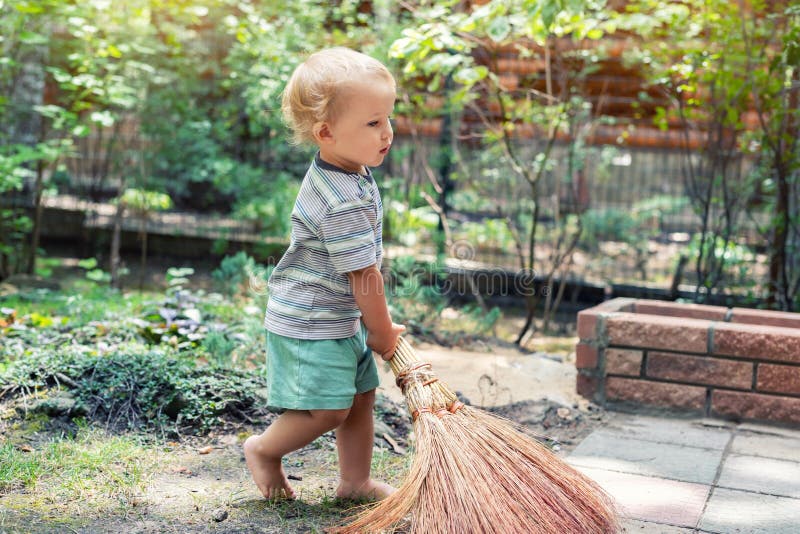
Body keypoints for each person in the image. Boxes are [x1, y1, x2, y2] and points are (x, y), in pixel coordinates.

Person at [243, 47, 405, 502]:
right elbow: (364, 276)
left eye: (388, 118)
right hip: (310, 322)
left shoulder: (348, 169)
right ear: (326, 132)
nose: (387, 132)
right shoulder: (341, 199)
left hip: (335, 316)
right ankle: (263, 449)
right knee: (328, 409)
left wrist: (369, 326)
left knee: (360, 398)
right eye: (372, 123)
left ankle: (355, 483)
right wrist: (382, 332)